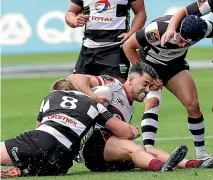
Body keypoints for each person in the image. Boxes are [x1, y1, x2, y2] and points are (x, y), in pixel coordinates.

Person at [67, 62, 213, 172]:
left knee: (150, 150)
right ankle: (162, 167)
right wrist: (93, 96)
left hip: (105, 153)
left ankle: (194, 164)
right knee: (135, 149)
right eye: (145, 84)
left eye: (149, 86)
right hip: (92, 145)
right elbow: (74, 78)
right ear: (130, 80)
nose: (147, 90)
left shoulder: (129, 106)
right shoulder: (114, 85)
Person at [0, 78, 140, 178]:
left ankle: (24, 167)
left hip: (44, 138)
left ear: (57, 90)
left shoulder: (52, 95)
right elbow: (126, 132)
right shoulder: (93, 104)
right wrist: (134, 131)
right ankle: (23, 171)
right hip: (64, 161)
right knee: (48, 165)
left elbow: (39, 127)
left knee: (33, 150)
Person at [122, 15, 213, 160]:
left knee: (193, 104)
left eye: (188, 43)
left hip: (174, 65)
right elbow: (128, 46)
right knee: (153, 102)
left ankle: (202, 154)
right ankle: (149, 152)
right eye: (181, 40)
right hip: (149, 63)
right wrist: (147, 75)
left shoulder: (204, 27)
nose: (183, 45)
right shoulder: (157, 30)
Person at [65, 0, 147, 83]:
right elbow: (71, 12)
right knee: (78, 87)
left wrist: (131, 32)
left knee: (115, 89)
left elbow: (140, 13)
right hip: (88, 49)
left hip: (115, 49)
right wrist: (74, 20)